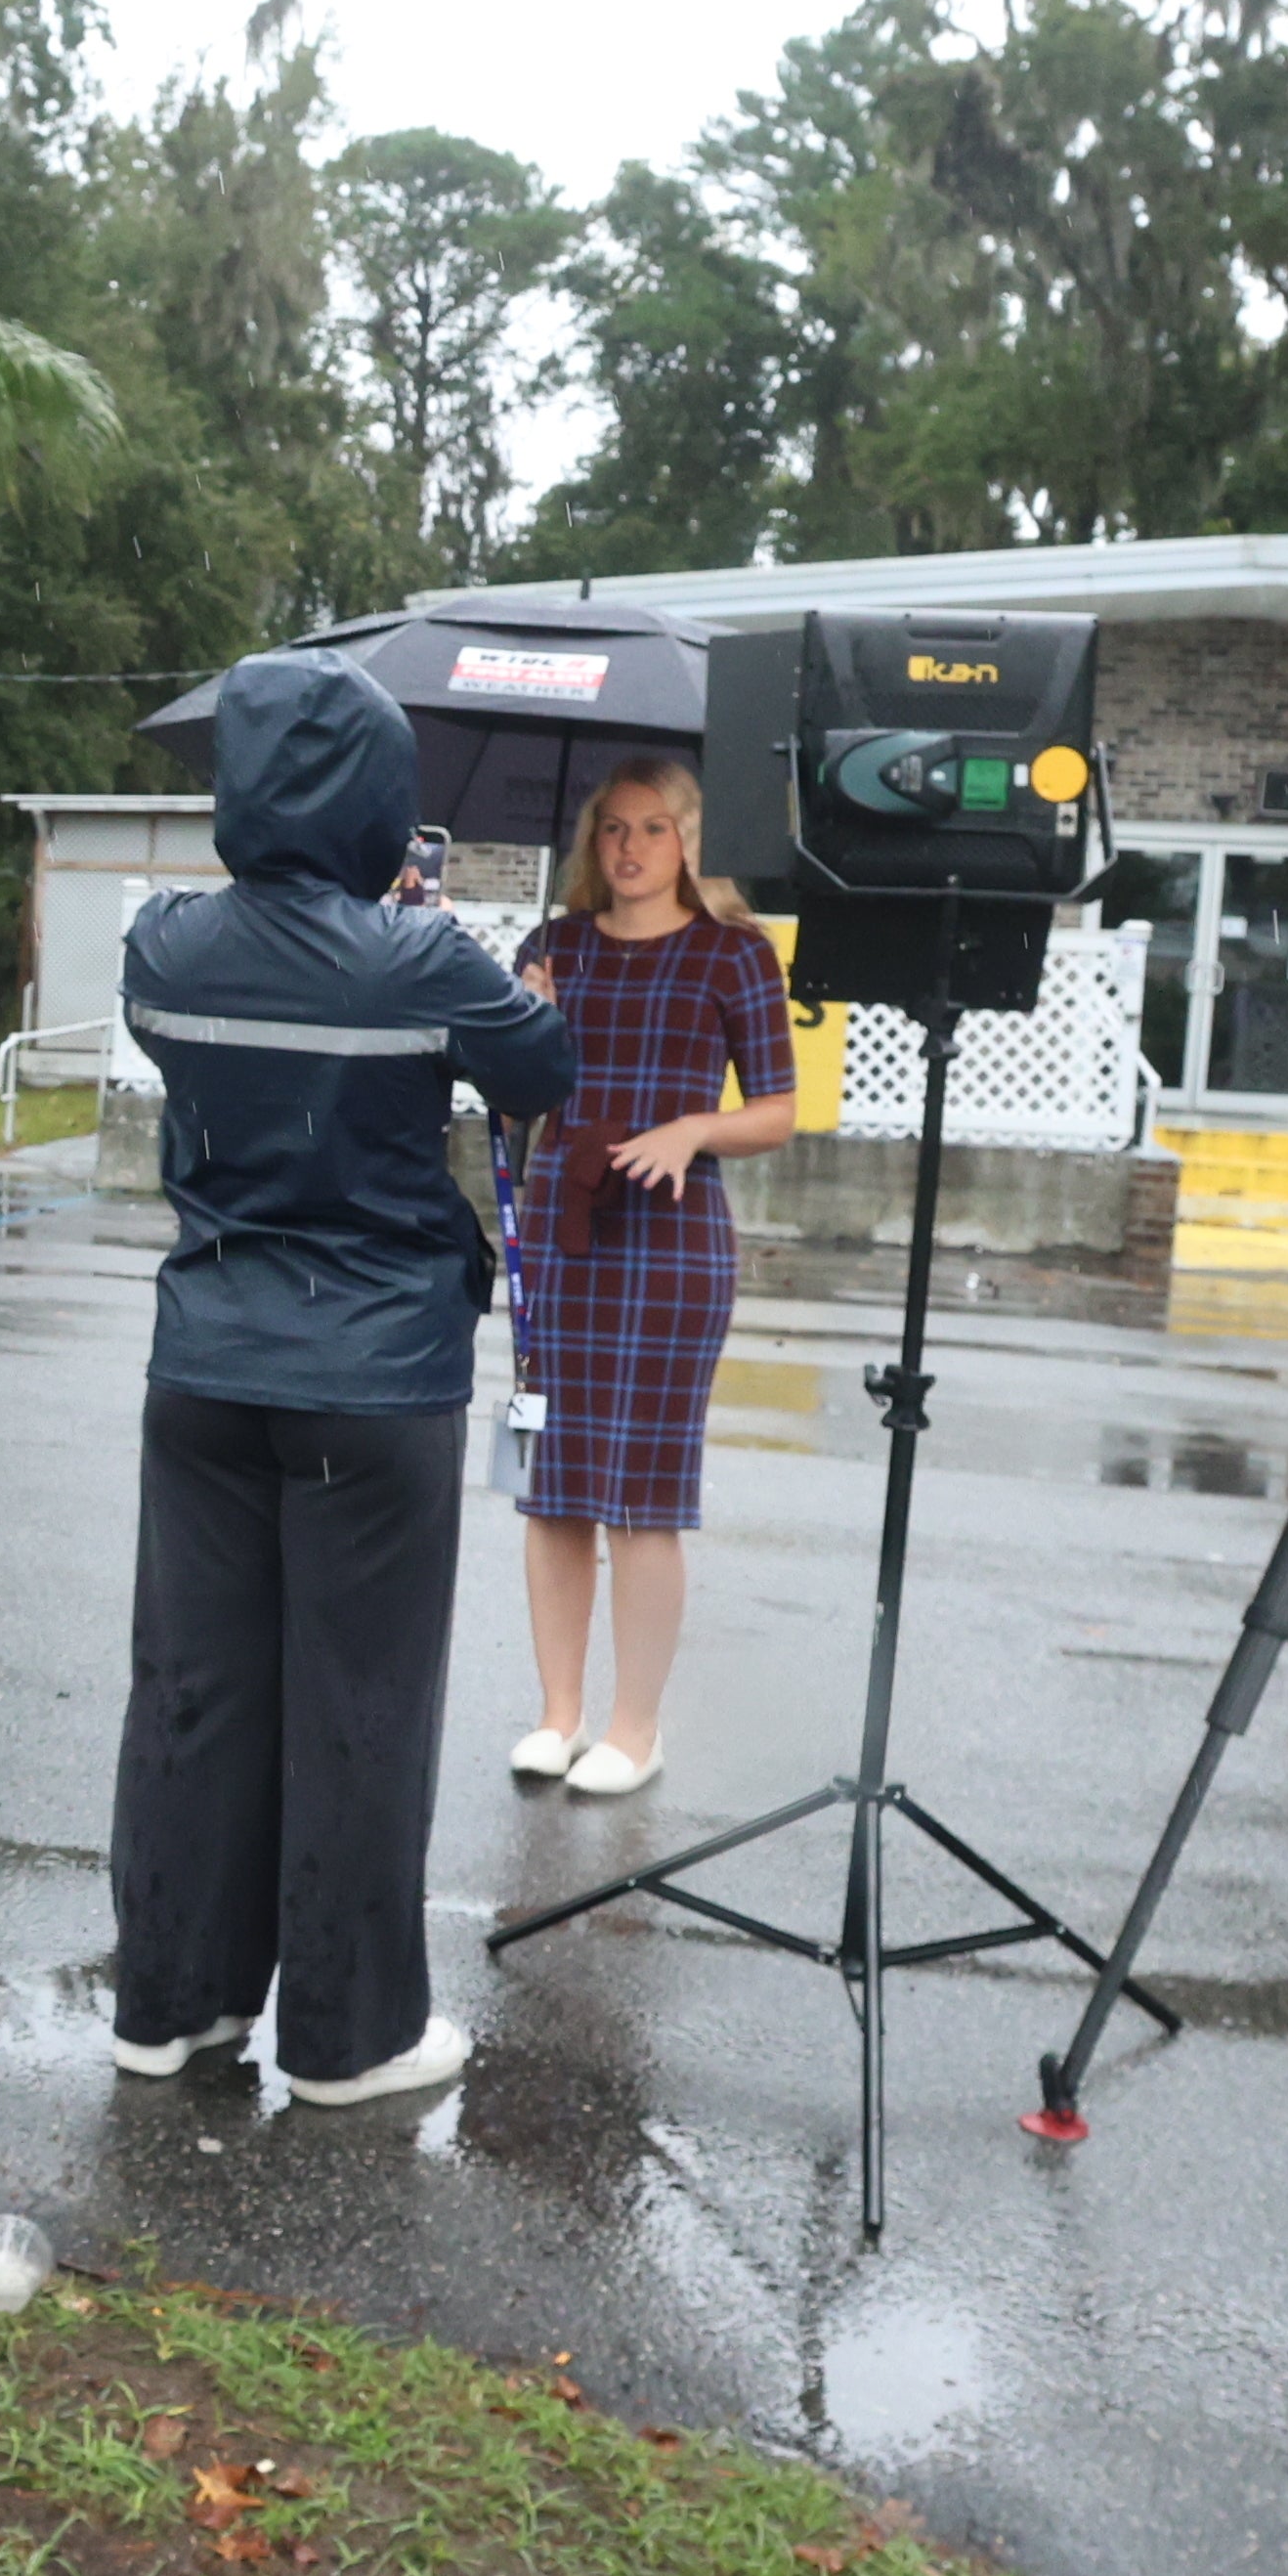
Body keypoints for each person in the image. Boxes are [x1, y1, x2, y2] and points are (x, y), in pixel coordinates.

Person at [105, 652, 574, 2107]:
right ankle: (349, 2039)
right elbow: (540, 1070)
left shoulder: (162, 947)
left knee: (193, 1690)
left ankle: (167, 2008)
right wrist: (493, 971)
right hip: (374, 1385)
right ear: (380, 802)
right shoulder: (426, 962)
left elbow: (246, 1037)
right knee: (360, 1707)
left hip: (205, 1368)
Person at [502, 757, 797, 1797]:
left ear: (690, 843)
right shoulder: (553, 949)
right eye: (614, 829)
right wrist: (518, 1026)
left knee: (642, 1496)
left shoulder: (733, 956)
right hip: (562, 1229)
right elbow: (507, 1110)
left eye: (654, 829)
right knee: (552, 1487)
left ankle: (635, 1729)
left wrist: (692, 1128)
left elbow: (776, 1110)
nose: (629, 849)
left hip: (672, 1244)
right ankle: (557, 1715)